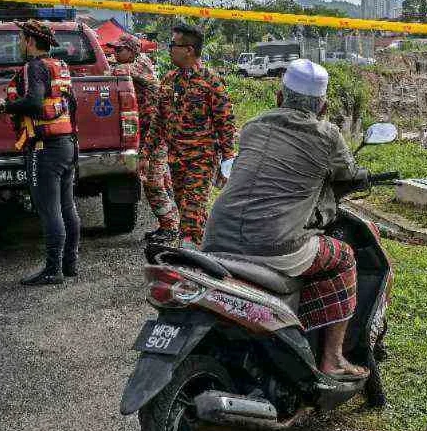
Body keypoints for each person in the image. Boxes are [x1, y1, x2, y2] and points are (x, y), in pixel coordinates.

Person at [202, 59, 369, 379]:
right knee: (345, 257)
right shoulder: (328, 135)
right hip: (275, 245)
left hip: (216, 236)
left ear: (279, 98)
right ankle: (332, 358)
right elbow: (348, 173)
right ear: (323, 107)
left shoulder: (253, 126)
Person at [0, 20, 80, 286]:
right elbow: (73, 103)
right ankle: (70, 264)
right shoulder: (61, 67)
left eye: (21, 39)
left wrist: (7, 107)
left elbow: (34, 101)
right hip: (66, 144)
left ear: (31, 41)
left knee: (49, 209)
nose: (20, 43)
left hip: (45, 148)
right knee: (67, 206)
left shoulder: (34, 67)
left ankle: (52, 270)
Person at [155, 23, 235, 249]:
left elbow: (225, 121)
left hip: (201, 159)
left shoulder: (211, 82)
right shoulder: (169, 81)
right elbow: (158, 121)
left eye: (173, 45)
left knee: (190, 216)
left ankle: (190, 267)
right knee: (189, 211)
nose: (169, 49)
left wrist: (228, 159)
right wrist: (147, 153)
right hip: (176, 160)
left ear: (189, 49)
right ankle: (215, 247)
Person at [106, 34, 179, 241]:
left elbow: (116, 71)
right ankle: (170, 223)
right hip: (150, 132)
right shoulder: (135, 63)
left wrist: (102, 65)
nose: (115, 53)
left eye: (119, 50)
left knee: (153, 182)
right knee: (162, 180)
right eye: (114, 49)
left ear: (132, 51)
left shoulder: (140, 63)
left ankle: (171, 227)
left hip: (156, 133)